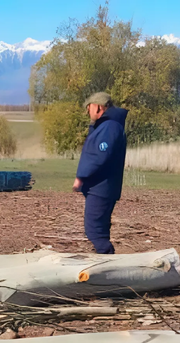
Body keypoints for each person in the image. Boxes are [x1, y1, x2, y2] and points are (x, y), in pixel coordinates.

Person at [73, 92, 127, 254]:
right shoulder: (106, 126)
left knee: (95, 231)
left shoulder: (109, 127)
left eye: (89, 108)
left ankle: (109, 265)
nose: (87, 112)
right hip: (102, 188)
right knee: (99, 229)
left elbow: (98, 155)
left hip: (102, 188)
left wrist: (81, 176)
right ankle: (107, 265)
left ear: (98, 107)